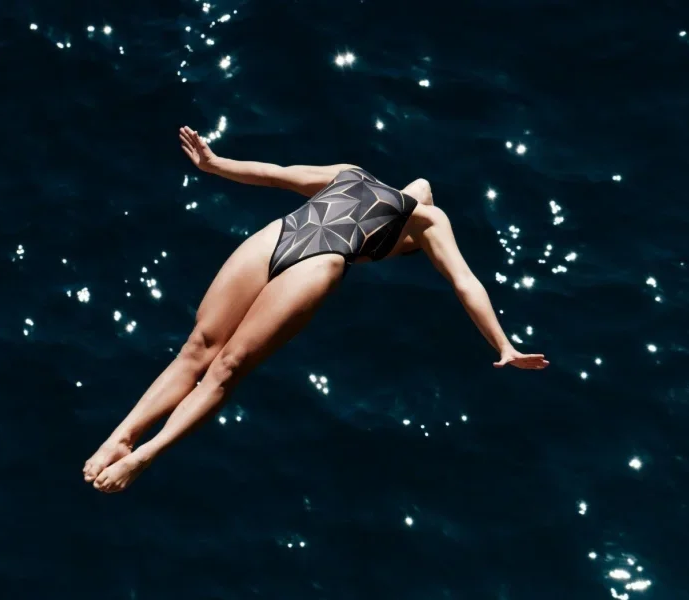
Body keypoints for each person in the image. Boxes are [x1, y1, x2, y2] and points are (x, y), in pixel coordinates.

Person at [83, 126, 549, 493]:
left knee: (196, 349)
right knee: (226, 369)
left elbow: (274, 172)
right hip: (320, 262)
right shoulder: (427, 220)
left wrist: (214, 164)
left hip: (281, 234)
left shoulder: (352, 173)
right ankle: (146, 454)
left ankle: (120, 436)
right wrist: (502, 344)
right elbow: (466, 281)